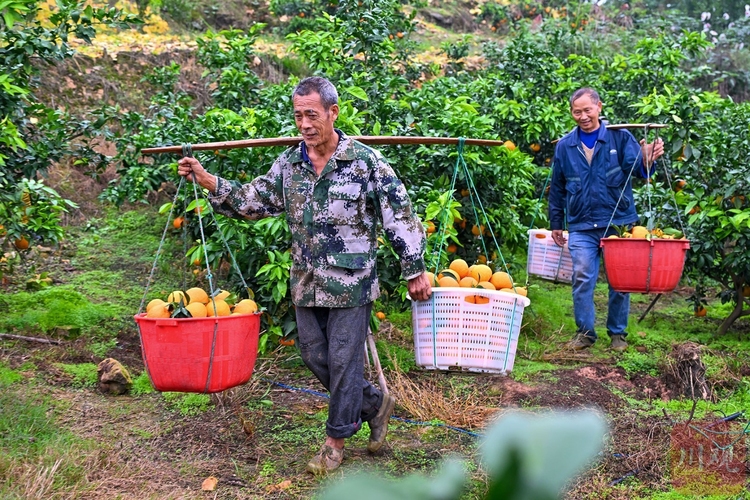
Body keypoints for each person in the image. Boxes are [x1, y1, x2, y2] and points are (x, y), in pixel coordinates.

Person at [177, 76, 432, 474]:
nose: (304, 124)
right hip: (307, 282)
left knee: (344, 360)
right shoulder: (289, 164)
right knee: (315, 356)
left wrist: (414, 269)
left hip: (351, 283)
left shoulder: (365, 163)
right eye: (298, 116)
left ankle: (334, 444)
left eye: (312, 115)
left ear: (333, 112)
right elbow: (252, 201)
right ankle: (373, 404)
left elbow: (399, 217)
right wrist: (207, 180)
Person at [548, 87, 664, 352]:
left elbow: (639, 171)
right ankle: (585, 333)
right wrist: (556, 222)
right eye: (577, 112)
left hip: (617, 222)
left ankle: (617, 335)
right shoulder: (566, 146)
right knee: (582, 275)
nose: (583, 116)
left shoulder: (620, 137)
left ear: (599, 107)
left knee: (620, 281)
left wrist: (647, 159)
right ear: (571, 113)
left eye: (587, 110)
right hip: (582, 224)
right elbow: (558, 187)